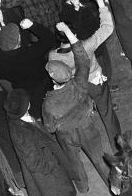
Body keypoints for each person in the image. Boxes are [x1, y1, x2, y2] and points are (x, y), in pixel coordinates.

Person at [41, 22, 110, 189]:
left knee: (74, 161)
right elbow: (82, 58)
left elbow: (49, 127)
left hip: (68, 136)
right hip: (87, 127)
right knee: (99, 157)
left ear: (52, 78)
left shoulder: (48, 102)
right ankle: (111, 182)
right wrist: (68, 32)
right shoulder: (80, 82)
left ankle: (83, 186)